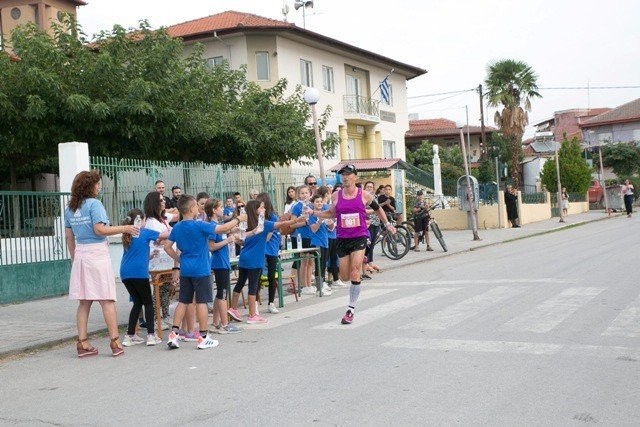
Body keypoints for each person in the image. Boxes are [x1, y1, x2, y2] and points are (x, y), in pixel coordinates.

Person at [64, 170, 139, 358]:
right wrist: (125, 228)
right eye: (97, 183)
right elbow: (99, 229)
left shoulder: (70, 208)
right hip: (97, 254)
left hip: (81, 254)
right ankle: (115, 341)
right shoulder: (95, 204)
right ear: (89, 186)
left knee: (84, 301)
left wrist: (75, 258)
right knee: (107, 299)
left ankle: (82, 343)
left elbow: (69, 236)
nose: (99, 186)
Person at [307, 164, 394, 324]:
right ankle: (354, 278)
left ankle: (350, 309)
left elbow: (378, 210)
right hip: (342, 238)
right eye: (343, 175)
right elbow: (331, 213)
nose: (345, 177)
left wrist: (387, 224)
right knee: (345, 276)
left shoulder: (364, 195)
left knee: (355, 271)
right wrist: (314, 212)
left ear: (355, 176)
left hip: (359, 236)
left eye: (348, 174)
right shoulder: (335, 196)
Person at [163, 195, 247, 350]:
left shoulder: (177, 227)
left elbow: (167, 246)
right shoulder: (199, 225)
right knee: (201, 302)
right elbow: (221, 228)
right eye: (196, 206)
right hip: (201, 269)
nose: (198, 208)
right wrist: (239, 219)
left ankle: (174, 335)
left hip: (186, 269)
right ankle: (203, 337)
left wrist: (179, 259)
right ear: (190, 209)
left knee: (184, 301)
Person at [227, 200, 304, 323]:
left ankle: (233, 308)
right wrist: (296, 220)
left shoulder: (245, 224)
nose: (263, 209)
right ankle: (252, 315)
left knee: (240, 283)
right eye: (261, 208)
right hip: (255, 259)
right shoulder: (262, 224)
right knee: (252, 286)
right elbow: (280, 224)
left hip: (244, 257)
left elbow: (241, 241)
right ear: (256, 210)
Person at [119, 207, 169, 347]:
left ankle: (130, 336)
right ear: (140, 220)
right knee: (148, 302)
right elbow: (163, 235)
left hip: (125, 273)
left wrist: (149, 255)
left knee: (137, 303)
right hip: (139, 273)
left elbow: (134, 254)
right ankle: (151, 336)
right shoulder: (145, 232)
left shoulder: (126, 235)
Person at [204, 198, 242, 334]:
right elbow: (211, 246)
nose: (222, 210)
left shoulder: (217, 225)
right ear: (214, 210)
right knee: (223, 294)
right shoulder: (212, 227)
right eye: (220, 207)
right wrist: (228, 240)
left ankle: (215, 323)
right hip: (219, 263)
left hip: (223, 262)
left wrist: (230, 232)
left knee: (220, 293)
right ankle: (225, 324)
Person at [144, 190, 178, 329]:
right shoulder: (151, 222)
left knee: (166, 288)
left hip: (167, 258)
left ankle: (164, 315)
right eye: (161, 200)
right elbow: (158, 239)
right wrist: (169, 234)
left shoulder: (163, 218)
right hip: (157, 260)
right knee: (159, 289)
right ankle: (156, 318)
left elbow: (177, 216)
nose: (164, 202)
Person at [255, 192, 284, 313]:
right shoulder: (256, 216)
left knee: (272, 276)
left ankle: (271, 303)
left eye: (261, 204)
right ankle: (255, 303)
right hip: (260, 248)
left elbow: (267, 236)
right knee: (257, 276)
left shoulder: (273, 217)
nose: (259, 207)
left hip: (271, 248)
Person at [363, 181, 382, 273]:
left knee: (372, 244)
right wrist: (373, 211)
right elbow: (363, 210)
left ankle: (370, 263)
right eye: (368, 187)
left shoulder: (375, 197)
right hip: (367, 223)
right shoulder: (363, 198)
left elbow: (378, 209)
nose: (369, 188)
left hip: (376, 223)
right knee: (367, 245)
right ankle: (365, 264)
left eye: (371, 187)